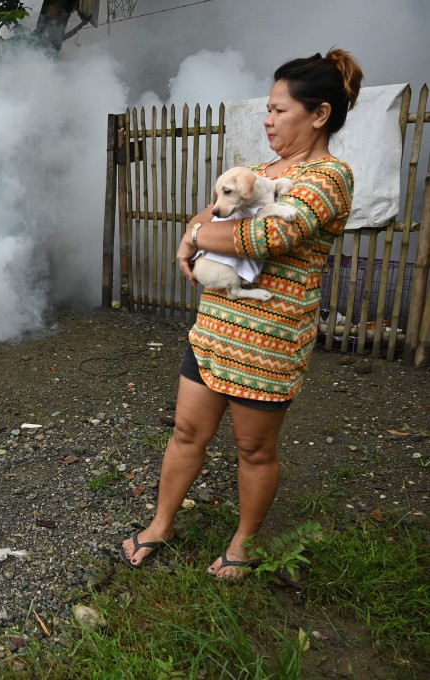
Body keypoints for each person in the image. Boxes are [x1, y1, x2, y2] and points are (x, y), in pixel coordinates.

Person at [120, 49, 364, 579]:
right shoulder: (254, 171)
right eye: (268, 110)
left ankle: (245, 542)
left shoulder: (329, 177)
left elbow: (268, 235)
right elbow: (208, 214)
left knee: (253, 450)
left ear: (319, 114)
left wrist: (193, 237)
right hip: (214, 331)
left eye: (279, 110)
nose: (268, 120)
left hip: (271, 340)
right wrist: (199, 230)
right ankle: (161, 523)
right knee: (186, 431)